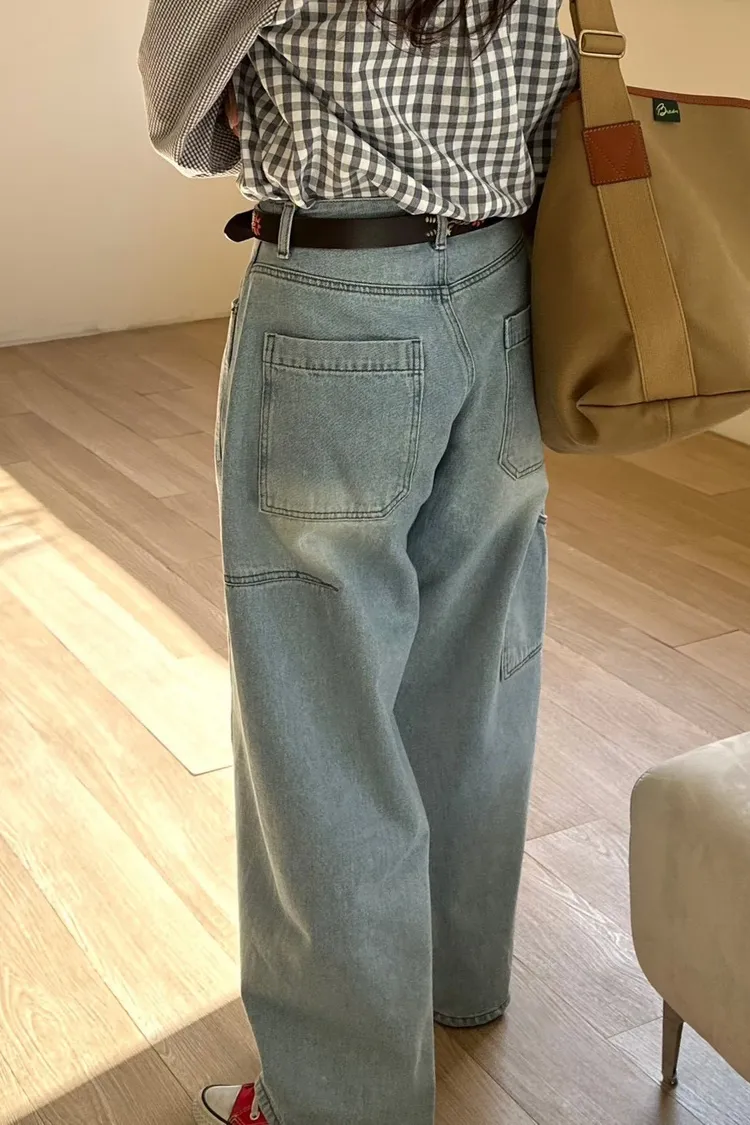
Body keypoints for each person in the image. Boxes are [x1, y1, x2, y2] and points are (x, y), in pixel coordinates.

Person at [140, 2, 577, 1122]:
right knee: (479, 661)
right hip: (509, 289)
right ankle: (457, 976)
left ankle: (341, 1103)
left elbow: (179, 117)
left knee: (319, 712)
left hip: (336, 302)